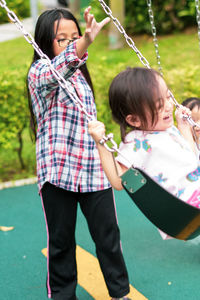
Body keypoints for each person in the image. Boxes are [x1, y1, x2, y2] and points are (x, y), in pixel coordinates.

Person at [27, 6, 130, 300]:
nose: (72, 43)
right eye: (63, 39)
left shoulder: (82, 78)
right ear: (45, 43)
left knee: (108, 236)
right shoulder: (39, 74)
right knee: (61, 241)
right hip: (58, 170)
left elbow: (72, 66)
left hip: (92, 168)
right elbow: (58, 69)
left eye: (76, 36)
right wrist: (84, 41)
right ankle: (62, 296)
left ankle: (120, 292)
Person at [88, 67, 200, 239]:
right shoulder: (137, 142)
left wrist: (183, 126)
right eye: (159, 105)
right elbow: (119, 181)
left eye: (168, 97)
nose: (169, 106)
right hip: (184, 207)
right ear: (134, 119)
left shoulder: (169, 130)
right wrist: (101, 145)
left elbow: (191, 158)